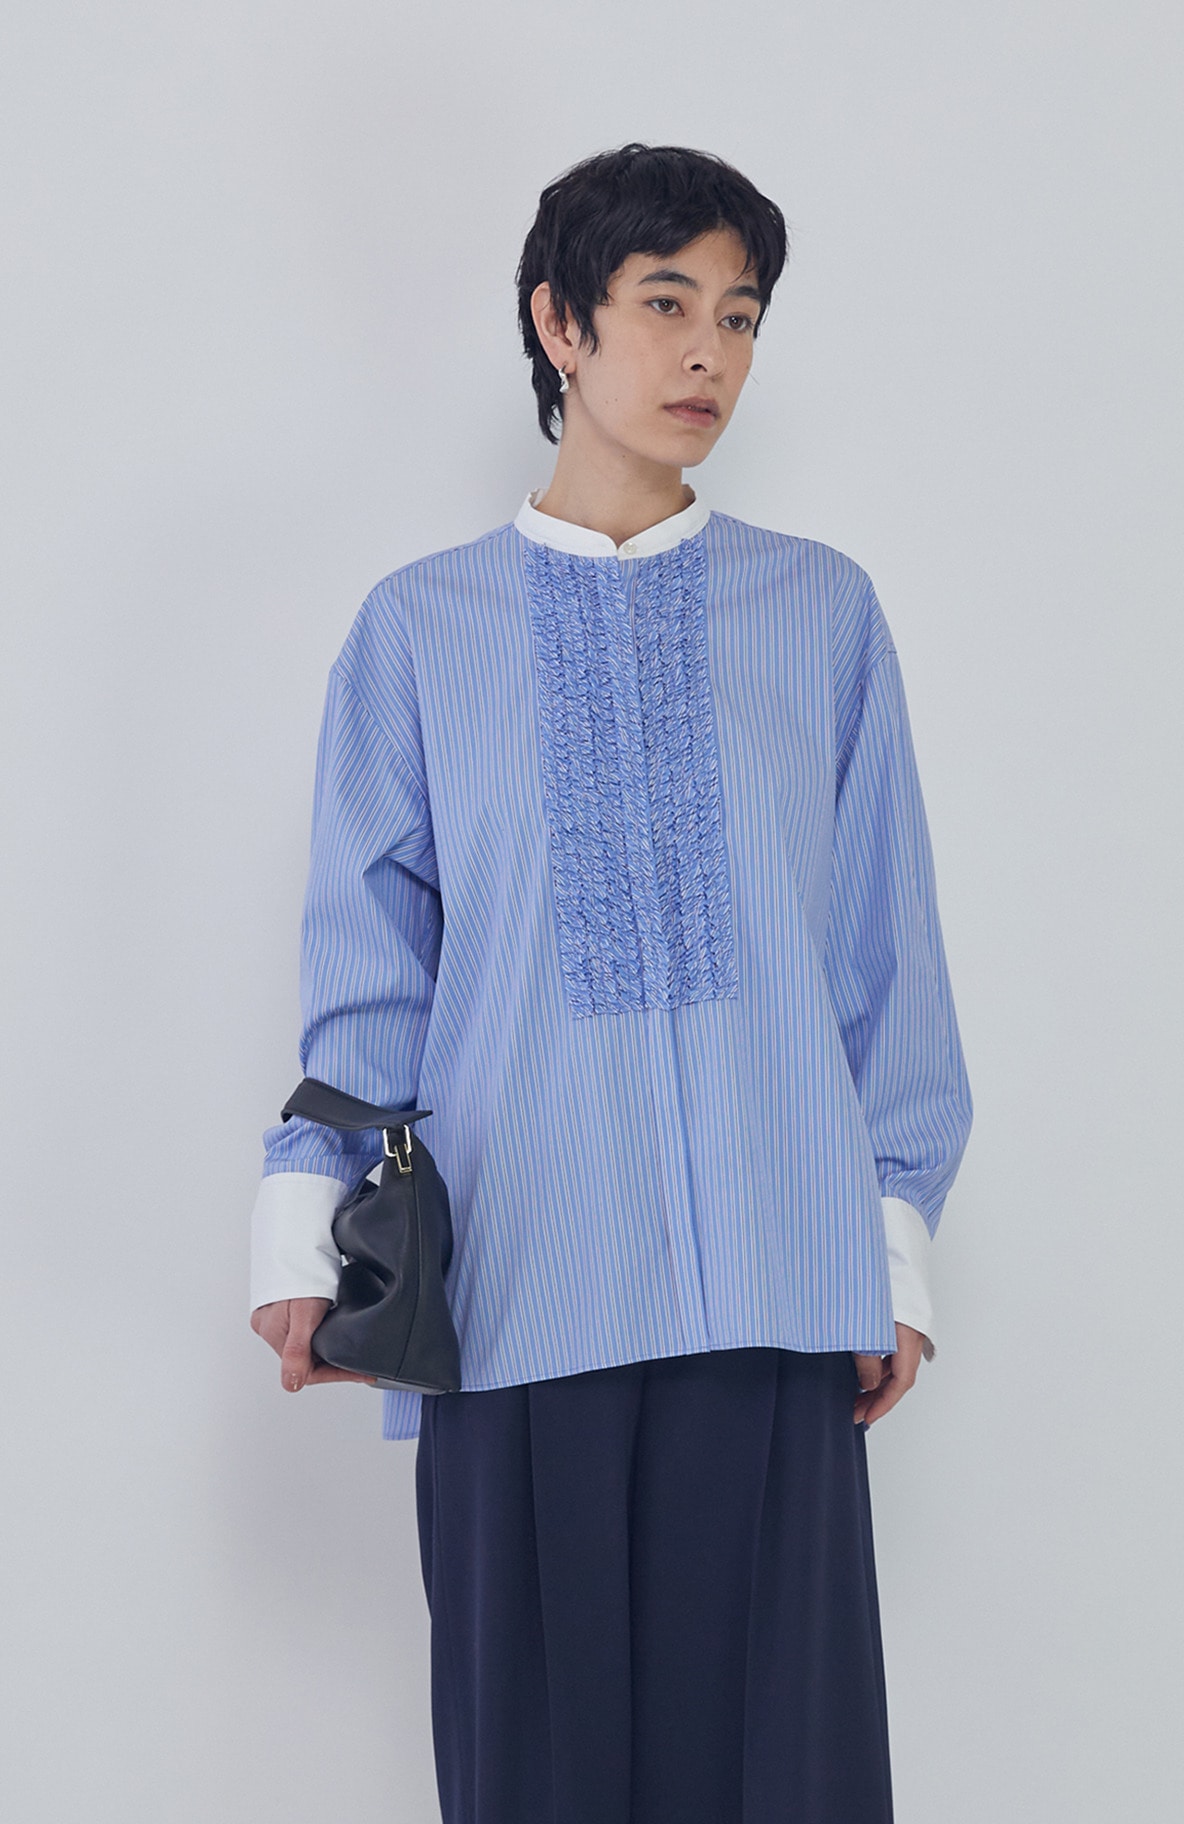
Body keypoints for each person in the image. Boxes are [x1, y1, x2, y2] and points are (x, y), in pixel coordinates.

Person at [249, 142, 972, 1824]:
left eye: (741, 315)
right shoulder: (419, 630)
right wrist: (312, 1225)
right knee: (540, 1775)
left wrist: (889, 1241)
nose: (709, 352)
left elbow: (886, 952)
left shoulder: (823, 614)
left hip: (777, 1285)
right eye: (665, 304)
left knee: (778, 1773)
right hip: (517, 1290)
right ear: (558, 325)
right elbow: (369, 963)